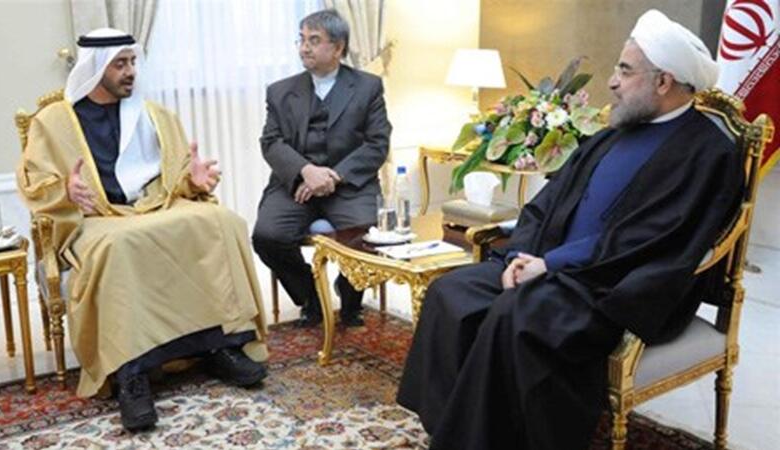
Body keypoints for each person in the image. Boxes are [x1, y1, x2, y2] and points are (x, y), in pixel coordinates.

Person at [396, 10, 745, 450]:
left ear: (663, 82)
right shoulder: (613, 134)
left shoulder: (708, 152)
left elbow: (653, 239)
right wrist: (517, 257)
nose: (612, 82)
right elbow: (545, 204)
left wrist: (551, 264)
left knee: (514, 315)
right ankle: (454, 428)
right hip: (551, 266)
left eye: (625, 71)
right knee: (451, 293)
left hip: (612, 284)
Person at [17, 28, 269, 432]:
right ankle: (131, 373)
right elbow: (35, 183)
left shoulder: (153, 115)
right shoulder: (54, 122)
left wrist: (192, 180)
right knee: (121, 245)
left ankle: (222, 345)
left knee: (220, 222)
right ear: (96, 67)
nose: (130, 71)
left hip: (154, 204)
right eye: (120, 64)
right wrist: (65, 189)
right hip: (95, 217)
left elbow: (174, 175)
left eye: (133, 62)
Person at [253, 9, 392, 328]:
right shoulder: (280, 91)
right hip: (295, 186)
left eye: (314, 40)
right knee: (267, 236)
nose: (304, 48)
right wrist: (306, 171)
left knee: (368, 233)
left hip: (348, 185)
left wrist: (334, 176)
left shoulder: (368, 87)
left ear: (338, 47)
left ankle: (351, 296)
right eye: (301, 39)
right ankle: (311, 296)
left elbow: (377, 143)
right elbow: (271, 142)